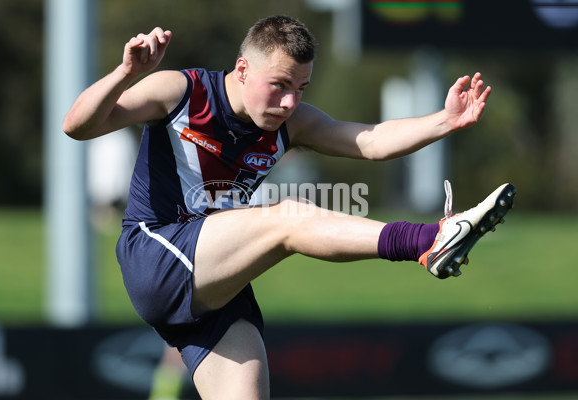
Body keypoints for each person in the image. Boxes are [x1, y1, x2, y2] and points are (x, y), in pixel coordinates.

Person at [63, 15, 515, 399]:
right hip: (156, 255)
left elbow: (371, 141)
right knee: (290, 216)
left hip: (215, 282)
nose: (289, 102)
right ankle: (428, 240)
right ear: (242, 69)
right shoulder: (180, 91)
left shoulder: (291, 122)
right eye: (279, 85)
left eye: (301, 88)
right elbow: (77, 127)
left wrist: (445, 119)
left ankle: (432, 241)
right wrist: (126, 72)